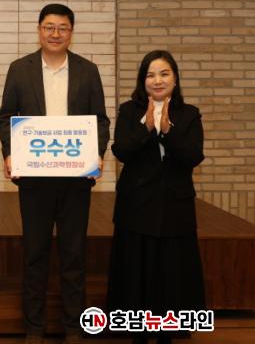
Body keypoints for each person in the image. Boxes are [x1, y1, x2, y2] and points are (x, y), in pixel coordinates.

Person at [0, 4, 110, 344]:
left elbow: (100, 120)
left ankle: (74, 327)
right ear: (39, 30)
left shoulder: (88, 70)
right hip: (35, 179)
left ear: (71, 32)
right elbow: (6, 117)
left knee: (74, 254)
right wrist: (10, 152)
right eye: (49, 27)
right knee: (35, 254)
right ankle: (34, 328)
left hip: (76, 179)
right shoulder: (20, 69)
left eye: (62, 28)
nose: (55, 33)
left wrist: (97, 152)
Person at [107, 50, 205, 344]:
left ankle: (167, 333)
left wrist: (167, 131)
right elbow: (121, 151)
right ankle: (137, 332)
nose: (157, 80)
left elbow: (192, 156)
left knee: (171, 272)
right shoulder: (129, 111)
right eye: (150, 75)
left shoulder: (189, 114)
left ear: (175, 79)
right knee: (137, 270)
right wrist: (146, 127)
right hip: (137, 206)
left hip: (175, 207)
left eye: (164, 74)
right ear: (142, 80)